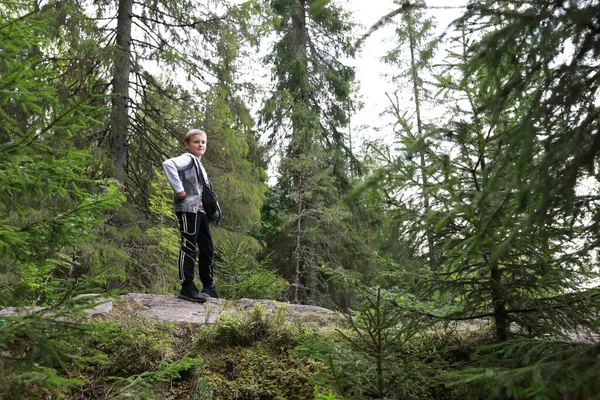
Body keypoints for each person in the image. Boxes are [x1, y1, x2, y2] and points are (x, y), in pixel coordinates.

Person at [162, 129, 219, 302]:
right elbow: (168, 164)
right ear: (187, 145)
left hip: (200, 212)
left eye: (203, 142)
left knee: (207, 248)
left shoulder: (198, 164)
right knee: (188, 246)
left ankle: (208, 286)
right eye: (196, 142)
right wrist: (179, 190)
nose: (200, 145)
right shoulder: (187, 158)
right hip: (188, 209)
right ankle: (187, 286)